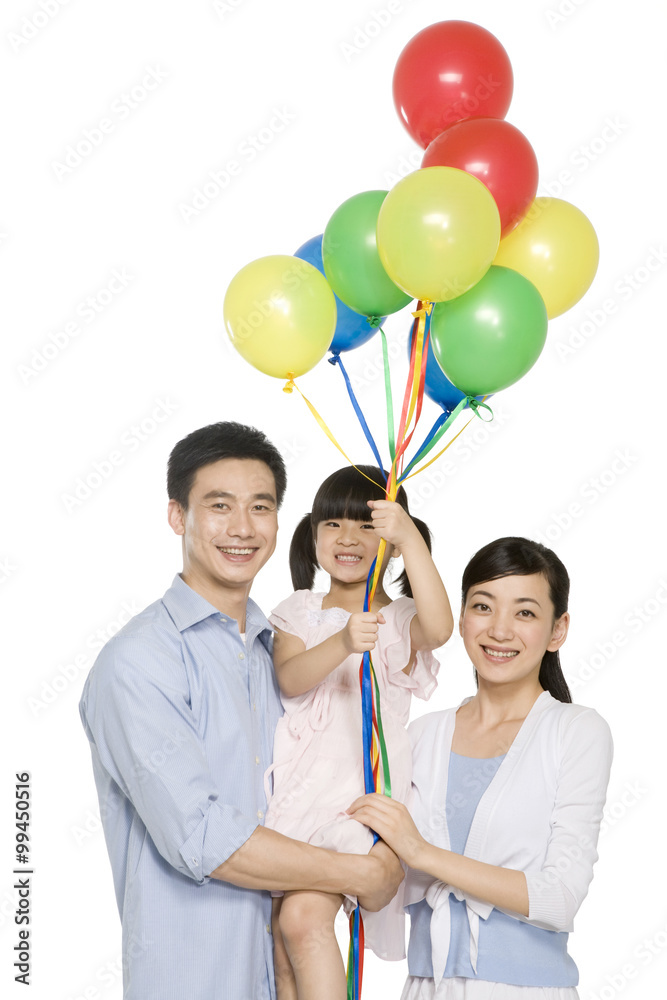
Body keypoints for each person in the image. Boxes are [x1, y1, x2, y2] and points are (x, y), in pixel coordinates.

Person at [78, 423, 403, 1000]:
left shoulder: (278, 650)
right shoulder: (138, 662)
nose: (242, 528)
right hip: (192, 981)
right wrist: (360, 874)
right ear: (178, 516)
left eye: (261, 506)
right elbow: (202, 836)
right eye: (219, 505)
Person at [349, 536, 613, 1000]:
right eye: (483, 606)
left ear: (558, 630)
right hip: (424, 987)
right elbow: (379, 883)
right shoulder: (421, 735)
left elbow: (559, 899)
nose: (500, 630)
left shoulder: (576, 732)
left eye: (525, 612)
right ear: (462, 618)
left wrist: (421, 852)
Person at [265, 465, 455, 1000]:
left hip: (354, 798)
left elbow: (440, 627)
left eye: (367, 525)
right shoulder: (297, 611)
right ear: (313, 535)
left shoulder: (396, 619)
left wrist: (411, 539)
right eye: (332, 525)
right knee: (280, 944)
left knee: (303, 919)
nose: (347, 538)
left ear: (390, 543)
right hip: (296, 793)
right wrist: (343, 642)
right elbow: (292, 678)